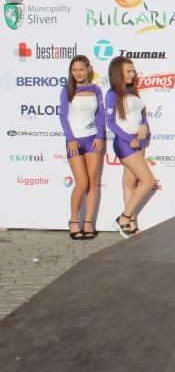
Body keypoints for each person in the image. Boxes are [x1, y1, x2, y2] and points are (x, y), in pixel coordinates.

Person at [106, 56, 156, 238]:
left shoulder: (132, 91)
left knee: (129, 182)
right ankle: (124, 218)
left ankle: (131, 226)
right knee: (148, 181)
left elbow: (142, 115)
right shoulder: (112, 94)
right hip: (125, 143)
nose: (132, 74)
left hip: (139, 141)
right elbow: (110, 122)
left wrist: (144, 125)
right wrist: (129, 139)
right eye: (128, 71)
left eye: (133, 71)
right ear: (118, 73)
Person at [58, 55, 105, 240]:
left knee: (93, 182)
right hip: (74, 142)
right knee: (82, 183)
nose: (78, 73)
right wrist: (70, 139)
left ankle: (88, 222)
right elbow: (63, 116)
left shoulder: (96, 90)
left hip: (92, 140)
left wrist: (100, 136)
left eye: (81, 69)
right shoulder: (67, 90)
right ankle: (73, 221)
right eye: (74, 70)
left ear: (88, 69)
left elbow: (100, 115)